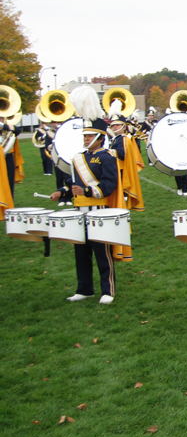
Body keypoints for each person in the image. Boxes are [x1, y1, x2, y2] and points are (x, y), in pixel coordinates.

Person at [50, 106, 120, 304]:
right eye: (85, 136)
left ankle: (108, 291)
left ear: (100, 137)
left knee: (102, 252)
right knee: (81, 251)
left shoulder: (107, 157)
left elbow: (109, 185)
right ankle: (84, 289)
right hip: (79, 210)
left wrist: (87, 191)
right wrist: (62, 192)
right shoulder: (78, 157)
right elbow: (74, 184)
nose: (86, 139)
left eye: (90, 136)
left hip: (99, 210)